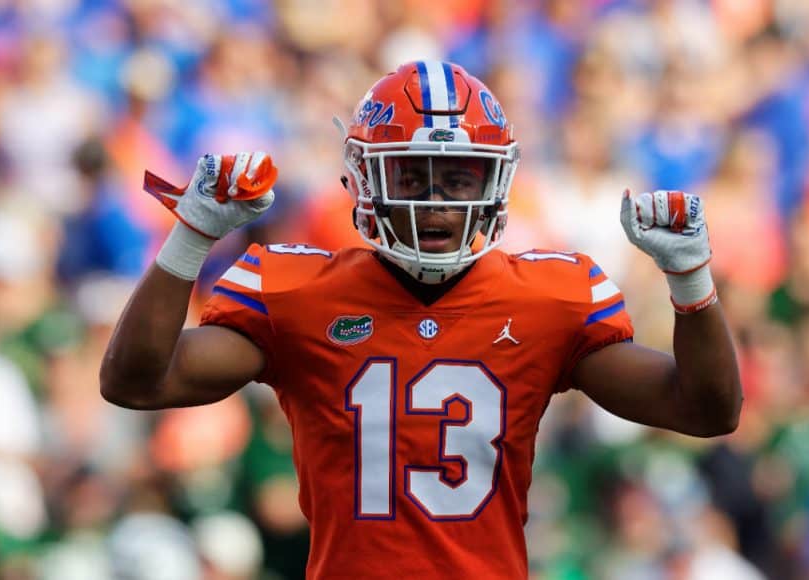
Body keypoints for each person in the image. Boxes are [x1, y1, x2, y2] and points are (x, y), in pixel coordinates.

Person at [101, 61, 742, 579]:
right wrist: (190, 239)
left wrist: (691, 280)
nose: (434, 203)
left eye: (459, 179)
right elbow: (135, 382)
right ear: (363, 178)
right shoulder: (297, 292)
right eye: (412, 174)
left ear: (498, 183)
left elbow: (707, 410)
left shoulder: (550, 297)